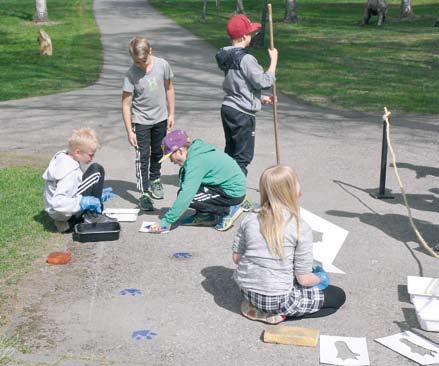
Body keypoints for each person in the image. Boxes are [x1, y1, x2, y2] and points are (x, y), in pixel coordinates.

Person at [232, 165, 346, 324]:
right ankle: (276, 314)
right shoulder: (300, 227)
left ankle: (256, 306)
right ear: (292, 191)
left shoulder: (250, 218)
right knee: (337, 297)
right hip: (277, 298)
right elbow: (304, 280)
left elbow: (237, 258)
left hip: (246, 290)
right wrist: (319, 278)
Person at [215, 15, 278, 177]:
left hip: (229, 108)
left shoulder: (225, 55)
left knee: (231, 152)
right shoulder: (246, 59)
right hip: (242, 114)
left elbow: (240, 84)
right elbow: (264, 82)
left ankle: (224, 186)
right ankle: (235, 196)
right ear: (243, 37)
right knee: (243, 157)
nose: (252, 36)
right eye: (250, 33)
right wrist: (273, 62)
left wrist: (260, 99)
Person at [148, 130, 246, 233]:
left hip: (233, 193)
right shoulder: (196, 151)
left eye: (170, 156)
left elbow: (186, 195)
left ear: (180, 151)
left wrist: (166, 221)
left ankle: (228, 210)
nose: (171, 161)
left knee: (190, 197)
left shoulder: (196, 161)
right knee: (187, 191)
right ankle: (206, 214)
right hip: (228, 186)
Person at [122, 36, 175, 211]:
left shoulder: (162, 65)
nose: (141, 65)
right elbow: (126, 103)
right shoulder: (131, 74)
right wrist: (130, 131)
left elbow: (169, 89)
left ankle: (155, 180)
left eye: (143, 61)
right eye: (137, 62)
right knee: (142, 156)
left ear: (150, 51)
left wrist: (171, 113)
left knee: (159, 151)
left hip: (160, 118)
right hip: (141, 121)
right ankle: (144, 192)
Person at [43, 128, 116, 233]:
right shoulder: (69, 172)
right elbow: (57, 202)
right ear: (77, 152)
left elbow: (74, 187)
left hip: (62, 215)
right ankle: (91, 217)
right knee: (96, 170)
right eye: (91, 154)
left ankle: (68, 223)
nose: (92, 158)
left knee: (94, 172)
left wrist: (97, 193)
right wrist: (82, 202)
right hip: (65, 214)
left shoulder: (65, 159)